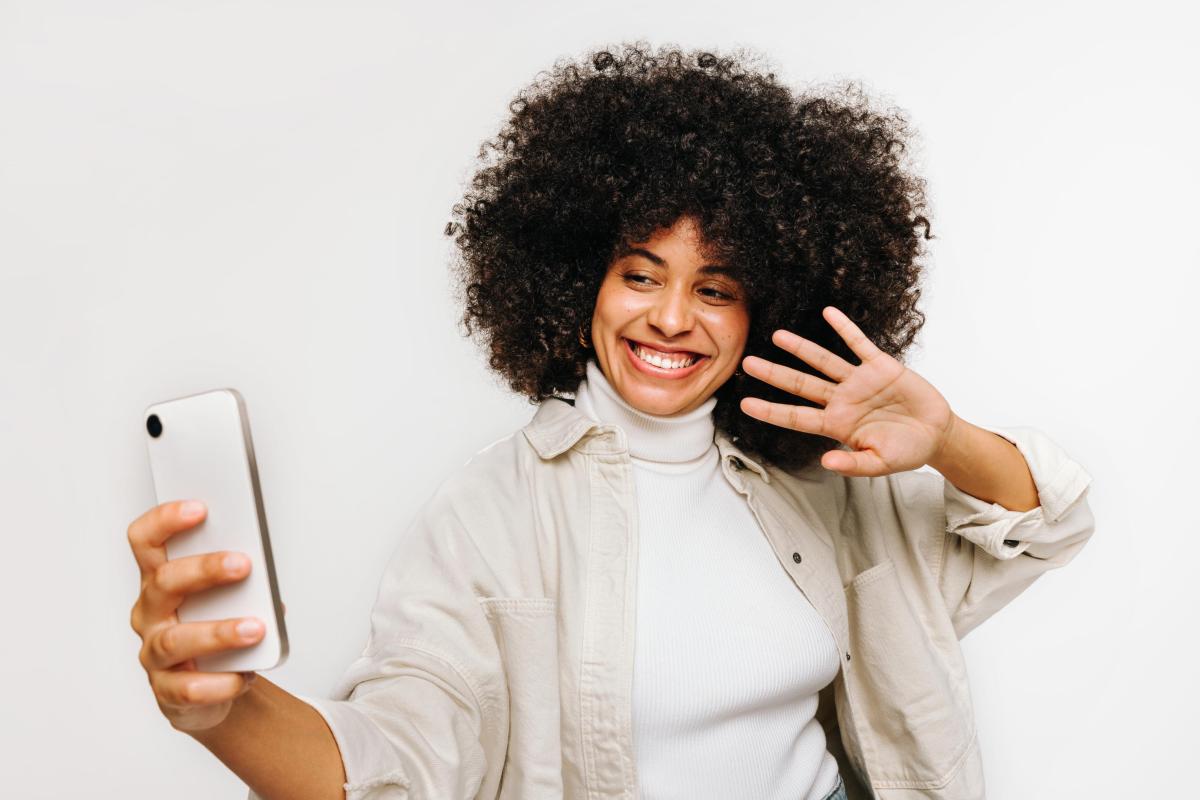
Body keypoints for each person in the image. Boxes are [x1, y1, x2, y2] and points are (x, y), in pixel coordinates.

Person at [126, 43, 1095, 800]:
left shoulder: (816, 483)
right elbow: (404, 755)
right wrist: (225, 710)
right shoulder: (494, 512)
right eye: (640, 274)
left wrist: (948, 439)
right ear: (577, 276)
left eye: (714, 289)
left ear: (763, 310)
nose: (671, 318)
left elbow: (1048, 524)